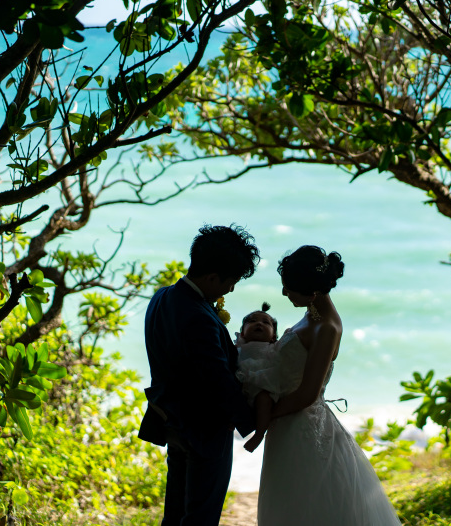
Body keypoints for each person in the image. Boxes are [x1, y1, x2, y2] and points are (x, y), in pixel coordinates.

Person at [257, 245, 402, 525]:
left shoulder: (327, 328)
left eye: (289, 288)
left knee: (303, 503)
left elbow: (308, 394)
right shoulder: (313, 312)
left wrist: (262, 415)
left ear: (311, 293)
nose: (285, 293)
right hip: (286, 423)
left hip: (302, 428)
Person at [138, 224, 259, 526]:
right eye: (230, 282)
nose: (230, 290)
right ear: (213, 277)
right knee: (201, 516)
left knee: (176, 512)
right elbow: (217, 378)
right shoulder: (198, 317)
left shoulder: (161, 297)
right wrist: (254, 422)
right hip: (204, 430)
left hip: (171, 421)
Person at [234, 303, 281, 453]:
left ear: (273, 336)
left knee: (264, 399)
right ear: (242, 333)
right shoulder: (238, 348)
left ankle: (259, 434)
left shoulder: (273, 348)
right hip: (243, 388)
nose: (259, 323)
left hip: (263, 385)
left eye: (265, 322)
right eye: (252, 321)